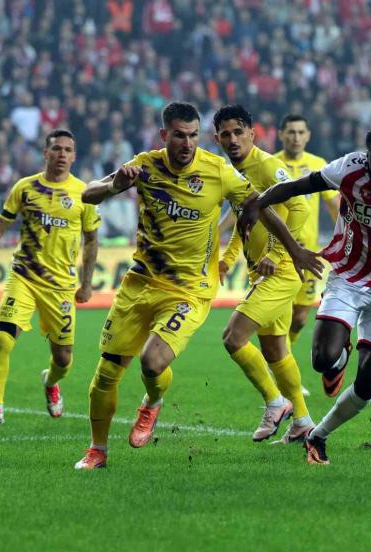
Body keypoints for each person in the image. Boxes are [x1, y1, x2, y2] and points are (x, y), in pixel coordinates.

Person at [73, 102, 321, 470]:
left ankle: (155, 402)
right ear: (164, 136)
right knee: (106, 374)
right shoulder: (145, 164)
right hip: (140, 282)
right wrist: (115, 186)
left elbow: (261, 205)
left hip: (190, 289)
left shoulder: (219, 170)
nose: (187, 143)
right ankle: (98, 450)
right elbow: (89, 193)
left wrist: (292, 250)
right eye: (179, 135)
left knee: (155, 361)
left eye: (193, 136)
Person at [238, 124, 371, 464]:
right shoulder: (349, 168)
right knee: (321, 359)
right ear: (368, 156)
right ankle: (339, 358)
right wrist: (257, 204)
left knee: (368, 385)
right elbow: (298, 186)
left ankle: (319, 436)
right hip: (348, 276)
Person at [0, 129, 100, 424]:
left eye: (68, 150)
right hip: (24, 276)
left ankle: (50, 382)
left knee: (63, 359)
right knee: (2, 340)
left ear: (74, 156)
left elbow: (92, 241)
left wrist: (86, 285)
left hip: (60, 286)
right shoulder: (25, 187)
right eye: (56, 149)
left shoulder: (83, 194)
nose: (62, 155)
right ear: (45, 153)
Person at [215, 105, 314, 444]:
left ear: (252, 134)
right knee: (275, 352)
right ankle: (302, 421)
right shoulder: (233, 172)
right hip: (261, 271)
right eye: (225, 134)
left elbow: (301, 205)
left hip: (282, 271)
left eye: (238, 132)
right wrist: (227, 257)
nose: (232, 139)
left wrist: (275, 252)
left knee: (233, 338)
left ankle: (275, 403)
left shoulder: (269, 166)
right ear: (217, 138)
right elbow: (242, 220)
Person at [274, 114, 339, 348]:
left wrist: (348, 236)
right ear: (281, 134)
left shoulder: (318, 164)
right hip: (278, 252)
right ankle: (281, 365)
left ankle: (280, 360)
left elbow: (334, 205)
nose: (296, 137)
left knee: (300, 317)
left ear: (308, 136)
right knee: (279, 315)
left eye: (301, 132)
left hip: (308, 253)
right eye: (291, 132)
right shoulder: (270, 163)